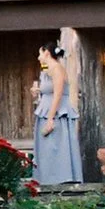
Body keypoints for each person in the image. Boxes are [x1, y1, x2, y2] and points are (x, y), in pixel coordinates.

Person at [33, 42, 85, 187]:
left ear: (47, 53)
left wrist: (51, 117)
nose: (38, 58)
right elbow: (47, 91)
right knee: (46, 148)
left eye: (40, 53)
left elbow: (58, 93)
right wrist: (38, 92)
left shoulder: (57, 68)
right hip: (45, 109)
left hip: (57, 112)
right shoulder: (46, 71)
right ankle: (46, 179)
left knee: (57, 145)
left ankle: (62, 178)